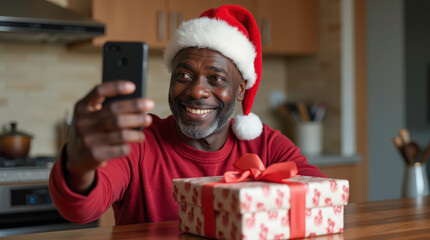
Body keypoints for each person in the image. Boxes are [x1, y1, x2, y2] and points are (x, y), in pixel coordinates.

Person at [49, 5, 326, 225]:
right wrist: (79, 165)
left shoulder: (264, 145)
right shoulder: (138, 141)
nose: (197, 91)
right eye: (184, 75)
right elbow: (81, 211)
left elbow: (322, 199)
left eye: (216, 78)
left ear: (240, 90)